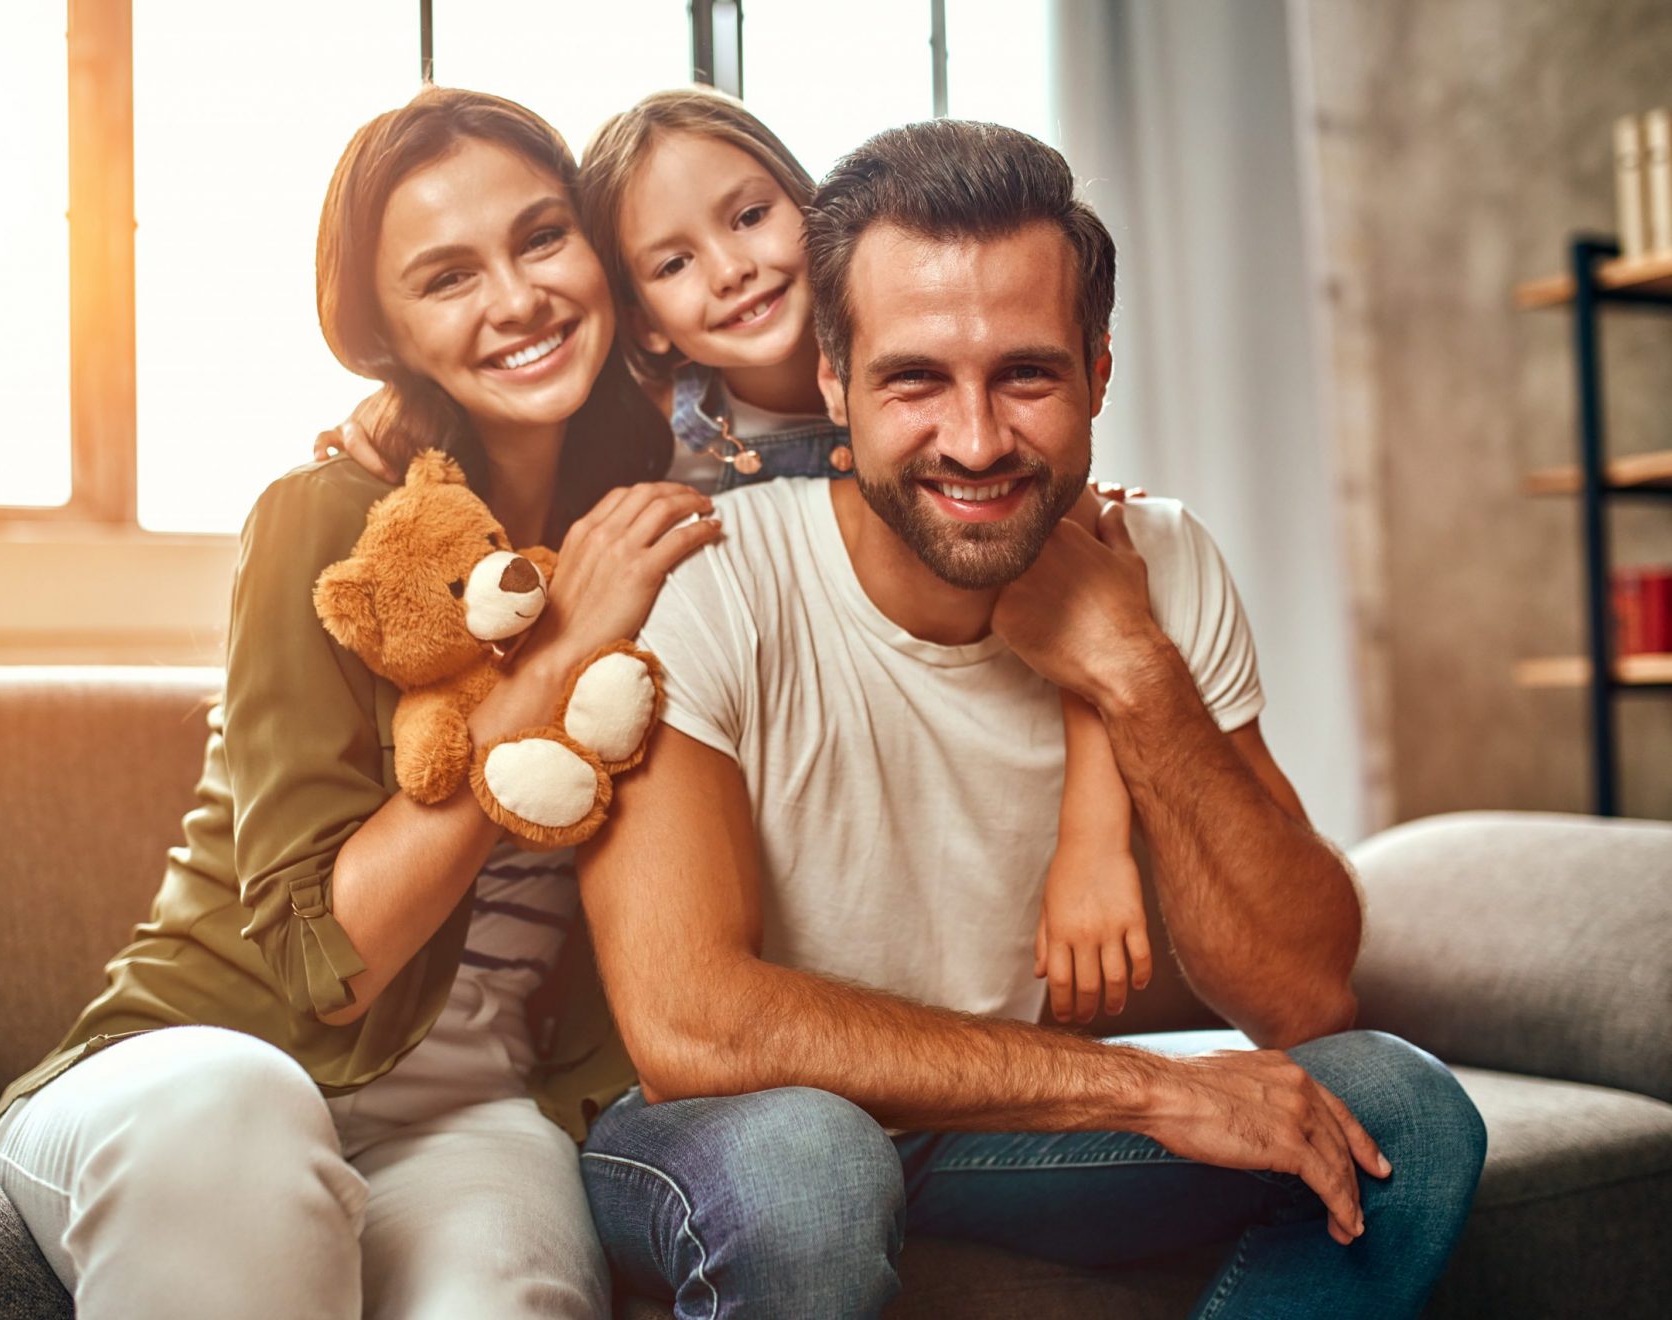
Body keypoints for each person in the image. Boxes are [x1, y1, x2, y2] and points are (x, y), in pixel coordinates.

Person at [574, 118, 1488, 1319]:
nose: (976, 440)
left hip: (993, 1134)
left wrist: (1132, 670)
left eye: (1027, 374)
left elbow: (1302, 993)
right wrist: (1145, 1091)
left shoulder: (1155, 559)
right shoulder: (703, 575)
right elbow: (688, 1020)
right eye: (915, 379)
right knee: (812, 1167)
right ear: (834, 382)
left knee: (1399, 1110)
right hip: (741, 1132)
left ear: (1099, 369)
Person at [0, 86, 720, 1319]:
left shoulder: (652, 517)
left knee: (512, 1296)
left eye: (542, 237)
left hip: (473, 1118)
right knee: (243, 1119)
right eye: (445, 278)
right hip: (196, 1073)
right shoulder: (326, 524)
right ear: (384, 333)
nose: (518, 298)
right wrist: (549, 666)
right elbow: (334, 956)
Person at [331, 85, 1157, 1024]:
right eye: (674, 261)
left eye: (753, 216)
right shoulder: (656, 449)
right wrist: (402, 407)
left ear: (819, 220)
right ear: (643, 316)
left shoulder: (956, 428)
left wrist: (1095, 842)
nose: (730, 269)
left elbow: (1084, 622)